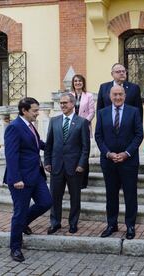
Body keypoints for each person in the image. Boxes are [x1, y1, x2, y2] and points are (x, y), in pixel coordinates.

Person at [3, 97, 53, 262]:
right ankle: (15, 248)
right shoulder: (14, 127)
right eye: (35, 111)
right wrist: (16, 178)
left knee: (46, 202)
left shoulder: (30, 125)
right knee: (19, 212)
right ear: (24, 111)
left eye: (38, 110)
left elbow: (36, 143)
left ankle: (23, 223)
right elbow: (11, 155)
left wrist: (54, 145)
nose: (37, 113)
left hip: (36, 175)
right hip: (20, 179)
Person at [95, 85, 143, 239]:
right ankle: (111, 224)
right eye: (114, 94)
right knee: (111, 195)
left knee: (130, 195)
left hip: (128, 161)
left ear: (125, 95)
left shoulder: (134, 112)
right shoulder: (102, 113)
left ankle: (130, 226)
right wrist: (108, 153)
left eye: (120, 94)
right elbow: (98, 136)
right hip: (109, 162)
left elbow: (138, 135)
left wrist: (126, 153)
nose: (117, 97)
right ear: (110, 96)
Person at [44, 93, 90, 235]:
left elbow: (85, 147)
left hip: (75, 167)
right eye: (61, 103)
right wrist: (47, 161)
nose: (62, 105)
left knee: (75, 197)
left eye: (65, 103)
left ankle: (73, 223)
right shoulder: (54, 121)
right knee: (55, 197)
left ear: (72, 104)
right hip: (56, 166)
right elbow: (49, 143)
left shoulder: (82, 122)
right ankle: (55, 223)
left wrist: (82, 164)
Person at [71, 74, 95, 189]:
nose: (77, 83)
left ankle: (83, 181)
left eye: (80, 81)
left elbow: (92, 112)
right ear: (73, 83)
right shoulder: (69, 95)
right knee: (74, 153)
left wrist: (84, 123)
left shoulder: (89, 96)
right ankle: (74, 179)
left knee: (84, 153)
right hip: (71, 128)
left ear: (83, 83)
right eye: (75, 81)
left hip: (84, 127)